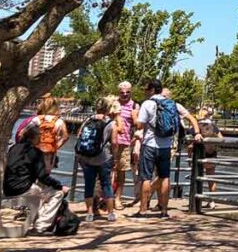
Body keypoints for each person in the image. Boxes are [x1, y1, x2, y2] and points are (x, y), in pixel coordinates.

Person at [134, 79, 202, 218]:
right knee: (165, 177)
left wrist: (135, 116)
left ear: (152, 90)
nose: (145, 92)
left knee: (146, 177)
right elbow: (190, 118)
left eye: (146, 89)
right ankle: (164, 210)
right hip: (166, 145)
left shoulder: (147, 104)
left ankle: (142, 210)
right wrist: (197, 132)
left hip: (150, 144)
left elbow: (140, 125)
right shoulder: (173, 104)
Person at [3, 122, 67, 234]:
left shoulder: (14, 148)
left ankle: (35, 219)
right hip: (23, 189)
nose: (41, 139)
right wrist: (60, 186)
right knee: (57, 194)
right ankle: (40, 227)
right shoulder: (35, 152)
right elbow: (42, 176)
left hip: (8, 188)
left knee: (40, 192)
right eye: (39, 137)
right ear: (34, 137)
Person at [77, 96, 118, 223]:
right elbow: (115, 142)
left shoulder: (88, 120)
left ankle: (89, 213)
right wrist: (115, 159)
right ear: (108, 108)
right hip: (103, 157)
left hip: (87, 157)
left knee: (89, 184)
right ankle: (110, 213)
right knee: (106, 184)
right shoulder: (111, 123)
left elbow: (79, 135)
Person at [112, 81, 136, 210]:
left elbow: (138, 125)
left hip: (125, 142)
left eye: (127, 92)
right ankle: (105, 198)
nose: (125, 95)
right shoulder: (113, 103)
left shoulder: (134, 105)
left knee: (121, 171)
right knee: (108, 171)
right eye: (122, 92)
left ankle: (117, 198)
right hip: (110, 142)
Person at [32, 96, 69, 172]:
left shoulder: (36, 119)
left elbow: (23, 133)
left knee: (33, 173)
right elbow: (65, 137)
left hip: (35, 150)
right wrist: (55, 146)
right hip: (49, 152)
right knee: (45, 174)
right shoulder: (59, 121)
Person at [194, 107, 222, 207]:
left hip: (199, 154)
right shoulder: (213, 125)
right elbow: (221, 138)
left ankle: (196, 201)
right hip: (212, 153)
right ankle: (212, 201)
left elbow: (190, 140)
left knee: (197, 176)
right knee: (211, 177)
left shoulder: (196, 125)